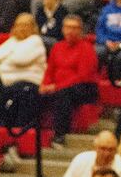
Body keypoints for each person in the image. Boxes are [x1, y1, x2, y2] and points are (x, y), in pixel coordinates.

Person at [40, 15, 99, 147]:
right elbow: (50, 70)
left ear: (80, 30)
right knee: (31, 92)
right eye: (67, 27)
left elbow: (82, 76)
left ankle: (59, 134)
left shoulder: (87, 48)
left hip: (84, 87)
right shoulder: (57, 47)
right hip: (60, 86)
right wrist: (44, 85)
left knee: (63, 93)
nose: (70, 31)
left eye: (74, 28)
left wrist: (56, 87)